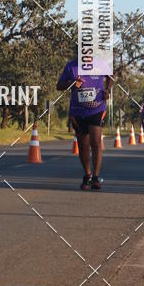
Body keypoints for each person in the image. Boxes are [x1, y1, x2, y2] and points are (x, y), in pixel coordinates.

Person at [57, 54, 112, 190]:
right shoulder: (71, 66)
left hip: (96, 108)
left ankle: (95, 177)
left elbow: (110, 77)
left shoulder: (101, 63)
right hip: (78, 111)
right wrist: (72, 83)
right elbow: (59, 86)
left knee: (96, 142)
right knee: (83, 144)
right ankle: (87, 175)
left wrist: (107, 90)